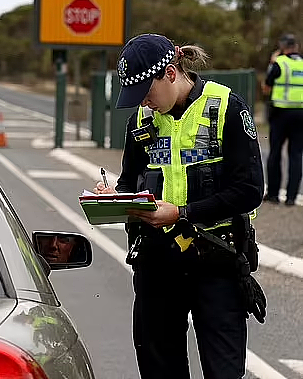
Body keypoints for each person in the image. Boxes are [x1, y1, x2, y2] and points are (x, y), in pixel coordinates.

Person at [93, 33, 266, 379]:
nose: (144, 103)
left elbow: (249, 190)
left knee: (224, 369)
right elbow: (130, 181)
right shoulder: (140, 122)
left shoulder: (226, 107)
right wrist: (115, 196)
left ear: (171, 73)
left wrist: (182, 213)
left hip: (216, 258)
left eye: (147, 92)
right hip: (157, 262)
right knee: (159, 368)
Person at [263, 33, 303, 206]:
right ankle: (292, 197)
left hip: (280, 113)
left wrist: (272, 63)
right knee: (296, 155)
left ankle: (273, 195)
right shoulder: (302, 64)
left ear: (282, 47)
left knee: (275, 153)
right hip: (300, 113)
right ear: (296, 47)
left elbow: (266, 88)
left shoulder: (279, 63)